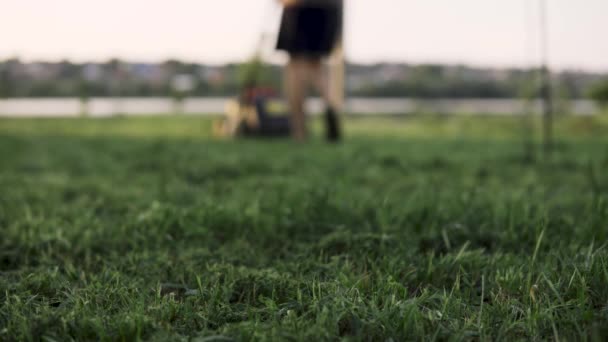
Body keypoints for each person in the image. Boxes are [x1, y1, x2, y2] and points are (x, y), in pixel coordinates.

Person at [276, 0, 342, 142]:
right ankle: (330, 104)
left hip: (299, 12)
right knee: (316, 67)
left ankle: (299, 131)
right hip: (328, 12)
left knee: (295, 70)